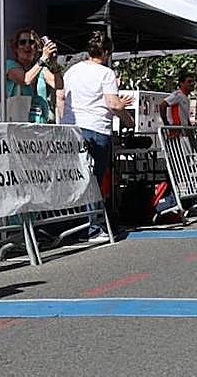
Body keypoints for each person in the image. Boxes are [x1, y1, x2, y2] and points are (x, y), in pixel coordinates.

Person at [60, 30, 129, 241]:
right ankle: (92, 227)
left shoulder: (72, 70)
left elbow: (62, 97)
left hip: (72, 127)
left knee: (77, 177)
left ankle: (75, 224)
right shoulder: (105, 73)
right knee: (94, 179)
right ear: (106, 52)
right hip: (96, 128)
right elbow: (112, 103)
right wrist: (127, 115)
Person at [5, 28, 62, 123]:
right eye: (22, 42)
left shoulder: (41, 69)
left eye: (31, 42)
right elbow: (25, 80)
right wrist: (43, 59)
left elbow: (58, 85)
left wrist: (54, 63)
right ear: (16, 48)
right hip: (18, 123)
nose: (27, 46)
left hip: (40, 121)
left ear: (36, 47)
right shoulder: (10, 65)